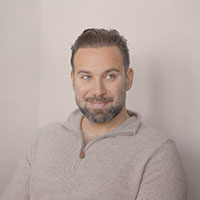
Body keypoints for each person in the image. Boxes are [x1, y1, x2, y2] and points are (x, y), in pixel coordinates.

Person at [1, 28, 187, 200]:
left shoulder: (158, 151)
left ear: (128, 79)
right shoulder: (43, 138)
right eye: (86, 77)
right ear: (73, 80)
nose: (98, 91)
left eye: (110, 76)